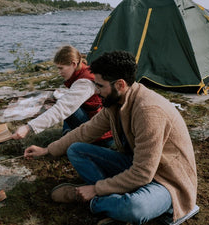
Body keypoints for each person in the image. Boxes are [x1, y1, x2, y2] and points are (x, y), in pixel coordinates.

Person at [23, 51, 198, 224]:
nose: (96, 91)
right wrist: (47, 150)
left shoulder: (148, 112)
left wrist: (96, 189)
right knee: (76, 150)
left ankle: (94, 201)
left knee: (135, 208)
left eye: (99, 86)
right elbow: (85, 131)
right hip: (136, 165)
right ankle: (113, 200)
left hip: (167, 180)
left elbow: (143, 174)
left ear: (120, 84)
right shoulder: (116, 103)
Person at [12, 45, 112, 146]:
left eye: (61, 68)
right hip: (99, 124)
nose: (59, 73)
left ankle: (71, 139)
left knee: (65, 105)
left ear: (73, 64)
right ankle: (68, 134)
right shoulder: (85, 72)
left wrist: (28, 128)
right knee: (64, 100)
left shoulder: (85, 82)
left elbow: (62, 109)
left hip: (102, 135)